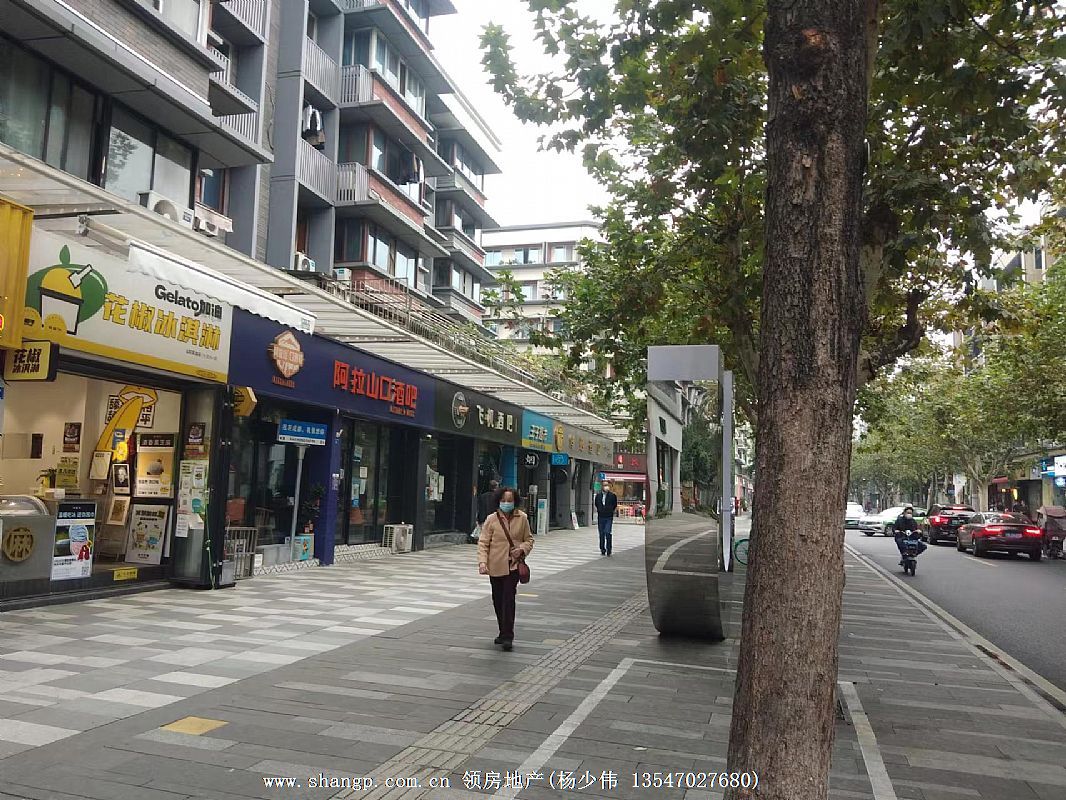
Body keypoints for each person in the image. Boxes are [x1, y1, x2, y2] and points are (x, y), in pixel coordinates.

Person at [477, 487, 533, 651]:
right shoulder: (491, 519)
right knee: (498, 599)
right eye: (503, 500)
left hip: (513, 566)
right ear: (498, 501)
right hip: (495, 565)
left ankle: (508, 635)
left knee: (508, 599)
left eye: (510, 500)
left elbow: (529, 540)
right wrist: (482, 562)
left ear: (515, 501)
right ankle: (502, 631)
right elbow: (483, 542)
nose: (506, 503)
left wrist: (521, 549)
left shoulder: (522, 518)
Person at [595, 481, 618, 556]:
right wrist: (600, 510)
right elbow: (596, 504)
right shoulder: (598, 496)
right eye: (604, 485)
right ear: (602, 486)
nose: (606, 487)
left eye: (607, 485)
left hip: (609, 517)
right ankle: (602, 549)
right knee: (601, 534)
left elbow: (614, 504)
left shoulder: (612, 495)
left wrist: (610, 510)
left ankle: (609, 549)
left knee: (607, 532)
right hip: (601, 516)